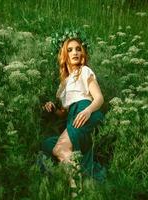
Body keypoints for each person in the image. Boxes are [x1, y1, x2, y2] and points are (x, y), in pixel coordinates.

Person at [40, 37, 106, 195]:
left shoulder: (84, 71)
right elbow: (63, 112)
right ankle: (86, 178)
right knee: (47, 144)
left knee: (60, 148)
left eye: (78, 48)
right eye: (70, 50)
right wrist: (52, 108)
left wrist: (88, 110)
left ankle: (76, 192)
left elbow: (99, 98)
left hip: (85, 110)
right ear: (64, 55)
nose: (75, 52)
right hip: (72, 117)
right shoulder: (62, 85)